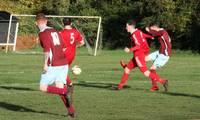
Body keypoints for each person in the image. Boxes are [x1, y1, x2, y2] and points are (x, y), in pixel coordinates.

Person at [35, 13, 75, 117]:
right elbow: (64, 47)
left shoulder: (42, 33)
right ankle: (71, 111)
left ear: (36, 23)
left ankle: (66, 90)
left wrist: (45, 64)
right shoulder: (55, 31)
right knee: (59, 87)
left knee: (43, 87)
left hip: (54, 64)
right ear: (46, 21)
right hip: (63, 63)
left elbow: (47, 50)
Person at [113, 19, 168, 92]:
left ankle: (163, 81)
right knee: (127, 69)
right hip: (139, 54)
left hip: (139, 55)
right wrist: (150, 36)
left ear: (130, 26)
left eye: (126, 26)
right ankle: (120, 86)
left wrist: (130, 49)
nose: (126, 28)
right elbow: (143, 35)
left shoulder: (134, 35)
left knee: (146, 72)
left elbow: (138, 46)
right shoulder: (138, 32)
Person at [145, 24, 172, 91]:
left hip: (164, 55)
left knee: (152, 69)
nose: (152, 30)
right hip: (160, 52)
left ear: (155, 28)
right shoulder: (163, 31)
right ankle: (128, 66)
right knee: (144, 59)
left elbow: (153, 33)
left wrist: (148, 30)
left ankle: (156, 85)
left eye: (152, 28)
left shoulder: (161, 31)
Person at [60, 18, 85, 87]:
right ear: (71, 23)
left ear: (63, 24)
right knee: (63, 70)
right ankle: (65, 83)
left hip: (64, 54)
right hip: (72, 55)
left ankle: (69, 84)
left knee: (59, 70)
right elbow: (82, 43)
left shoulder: (61, 33)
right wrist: (75, 46)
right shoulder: (76, 32)